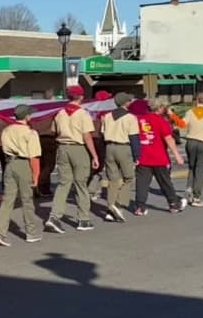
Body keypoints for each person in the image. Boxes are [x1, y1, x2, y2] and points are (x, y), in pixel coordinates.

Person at [45, 86, 99, 234]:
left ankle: (54, 216)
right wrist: (94, 155)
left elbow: (53, 130)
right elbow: (87, 136)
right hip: (78, 148)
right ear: (81, 97)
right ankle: (83, 219)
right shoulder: (83, 113)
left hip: (63, 147)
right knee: (81, 184)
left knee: (64, 183)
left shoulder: (60, 113)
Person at [0, 104, 42, 247]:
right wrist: (36, 176)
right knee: (27, 200)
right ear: (27, 116)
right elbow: (34, 157)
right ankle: (31, 233)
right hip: (23, 164)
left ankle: (0, 232)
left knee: (7, 200)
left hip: (10, 163)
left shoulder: (6, 130)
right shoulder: (30, 133)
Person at [130, 99, 186, 214]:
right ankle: (174, 203)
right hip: (159, 157)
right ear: (160, 108)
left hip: (143, 156)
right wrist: (177, 155)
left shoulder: (139, 119)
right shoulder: (161, 121)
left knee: (142, 183)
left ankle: (140, 207)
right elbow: (168, 138)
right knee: (165, 182)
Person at [101, 93, 140, 223]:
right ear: (126, 102)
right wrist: (137, 155)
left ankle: (110, 208)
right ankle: (119, 204)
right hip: (123, 147)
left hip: (109, 147)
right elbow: (134, 138)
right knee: (128, 177)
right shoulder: (130, 117)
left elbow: (102, 133)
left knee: (112, 180)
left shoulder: (107, 116)